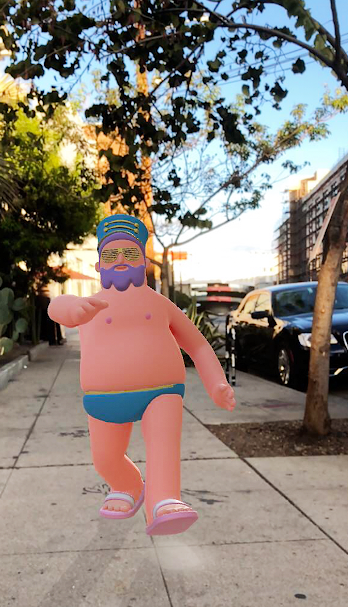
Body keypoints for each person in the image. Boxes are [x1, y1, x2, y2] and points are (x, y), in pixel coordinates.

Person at [48, 213, 236, 536]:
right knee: (105, 458)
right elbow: (57, 306)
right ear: (99, 265)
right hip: (104, 397)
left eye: (130, 253)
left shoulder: (160, 304)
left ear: (144, 263)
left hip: (162, 390)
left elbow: (198, 345)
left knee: (163, 444)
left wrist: (216, 383)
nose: (121, 259)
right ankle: (127, 485)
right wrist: (71, 309)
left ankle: (164, 499)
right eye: (111, 255)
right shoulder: (88, 305)